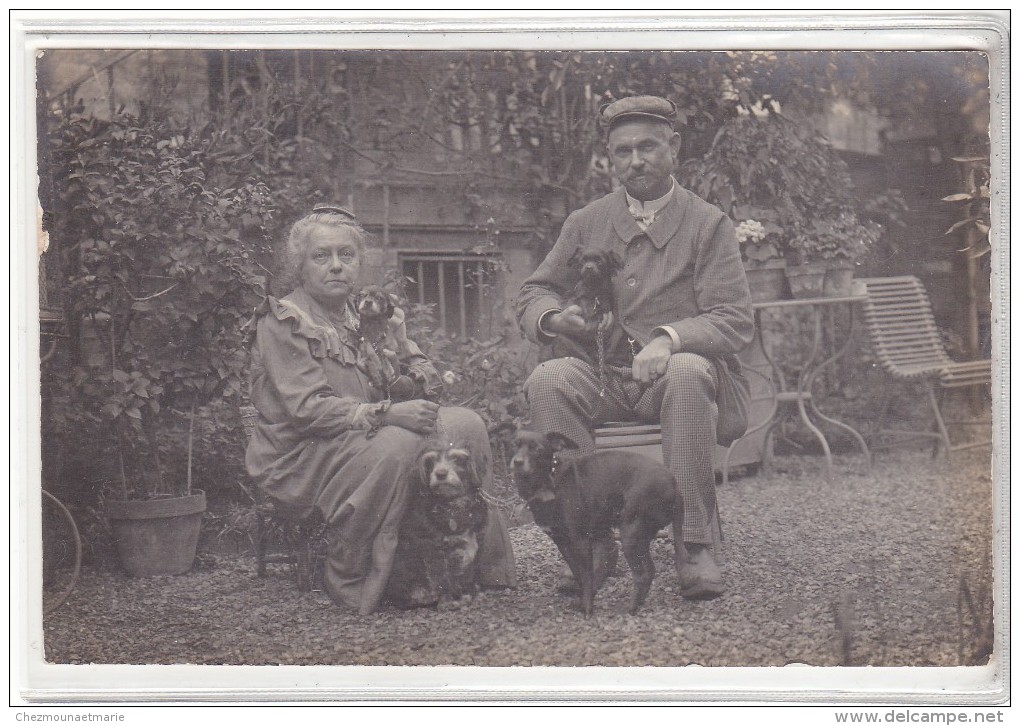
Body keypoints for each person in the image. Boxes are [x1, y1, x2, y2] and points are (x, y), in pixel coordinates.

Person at [515, 96, 754, 600]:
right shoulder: (586, 221)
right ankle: (591, 543)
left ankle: (693, 543)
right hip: (599, 374)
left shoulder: (708, 224)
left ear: (675, 147)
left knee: (688, 369)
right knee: (548, 378)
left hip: (668, 383)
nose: (636, 161)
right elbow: (535, 291)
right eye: (623, 151)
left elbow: (732, 319)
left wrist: (670, 339)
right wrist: (555, 316)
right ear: (609, 157)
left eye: (648, 147)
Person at [245, 205, 517, 614]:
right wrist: (389, 414)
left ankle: (476, 562)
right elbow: (307, 410)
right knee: (398, 445)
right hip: (304, 455)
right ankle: (356, 571)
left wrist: (408, 351)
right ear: (299, 266)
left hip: (359, 438)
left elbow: (412, 371)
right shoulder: (285, 320)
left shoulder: (361, 313)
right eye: (322, 257)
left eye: (346, 256)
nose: (336, 266)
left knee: (466, 423)